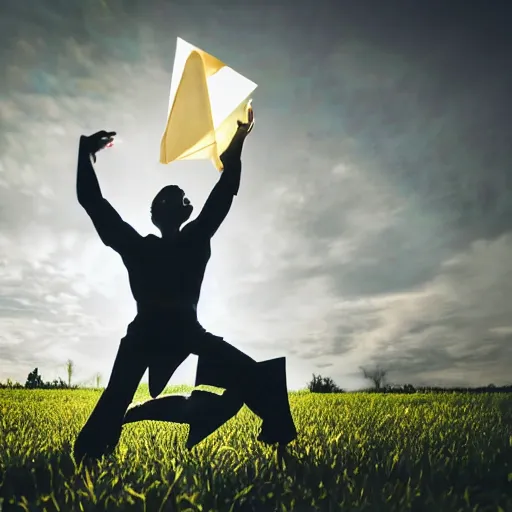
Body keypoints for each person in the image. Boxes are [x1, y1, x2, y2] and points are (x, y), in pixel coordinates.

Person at [73, 110, 297, 461]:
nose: (177, 197)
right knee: (114, 403)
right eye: (172, 196)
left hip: (170, 331)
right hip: (161, 330)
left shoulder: (164, 242)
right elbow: (95, 205)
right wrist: (84, 154)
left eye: (178, 195)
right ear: (165, 212)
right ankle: (96, 446)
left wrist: (238, 140)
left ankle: (277, 436)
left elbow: (224, 191)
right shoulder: (169, 241)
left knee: (253, 375)